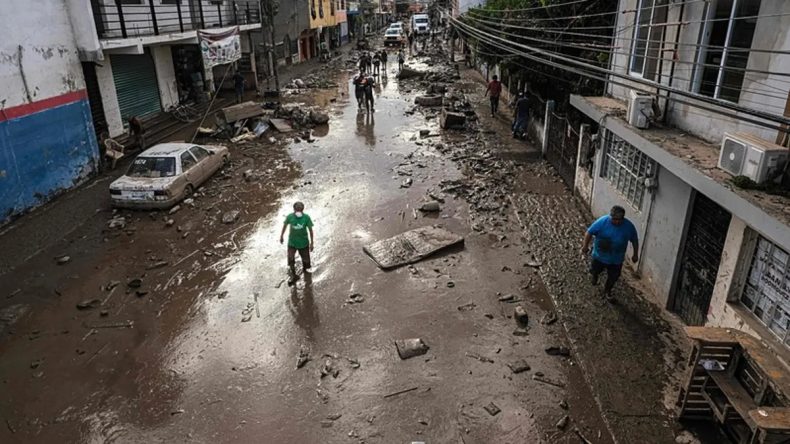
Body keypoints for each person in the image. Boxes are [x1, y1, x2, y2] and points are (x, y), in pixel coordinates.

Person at [581, 206, 639, 301]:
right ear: (610, 216)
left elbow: (634, 240)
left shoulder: (629, 227)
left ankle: (608, 290)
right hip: (600, 256)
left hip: (616, 258)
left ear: (623, 218)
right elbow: (589, 232)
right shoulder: (602, 222)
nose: (616, 222)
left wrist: (635, 254)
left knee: (613, 277)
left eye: (619, 220)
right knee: (595, 269)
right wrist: (585, 246)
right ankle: (595, 275)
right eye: (614, 219)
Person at [280, 201, 315, 278]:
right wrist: (281, 236)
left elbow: (311, 231)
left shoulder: (306, 218)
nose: (298, 212)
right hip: (292, 243)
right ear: (294, 210)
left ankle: (307, 276)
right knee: (290, 258)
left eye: (300, 210)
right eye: (297, 210)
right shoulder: (290, 217)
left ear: (303, 210)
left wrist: (312, 243)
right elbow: (285, 226)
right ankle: (293, 274)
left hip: (304, 243)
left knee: (306, 263)